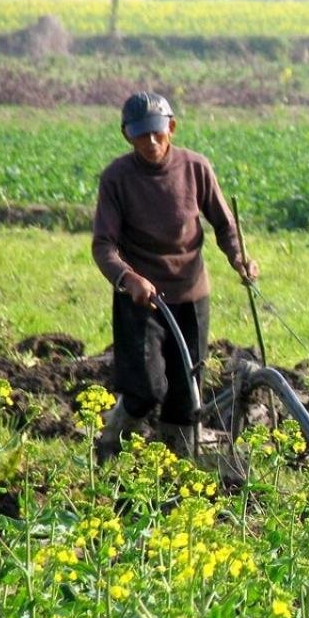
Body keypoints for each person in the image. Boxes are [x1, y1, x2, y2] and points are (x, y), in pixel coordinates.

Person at [92, 92, 258, 460]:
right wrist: (128, 278)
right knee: (145, 389)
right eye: (141, 135)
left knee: (186, 394)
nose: (151, 142)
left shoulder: (196, 168)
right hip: (141, 300)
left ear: (172, 127)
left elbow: (225, 226)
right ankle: (109, 447)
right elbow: (103, 245)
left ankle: (177, 464)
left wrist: (239, 257)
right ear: (126, 135)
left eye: (157, 133)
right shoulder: (117, 178)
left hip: (191, 294)